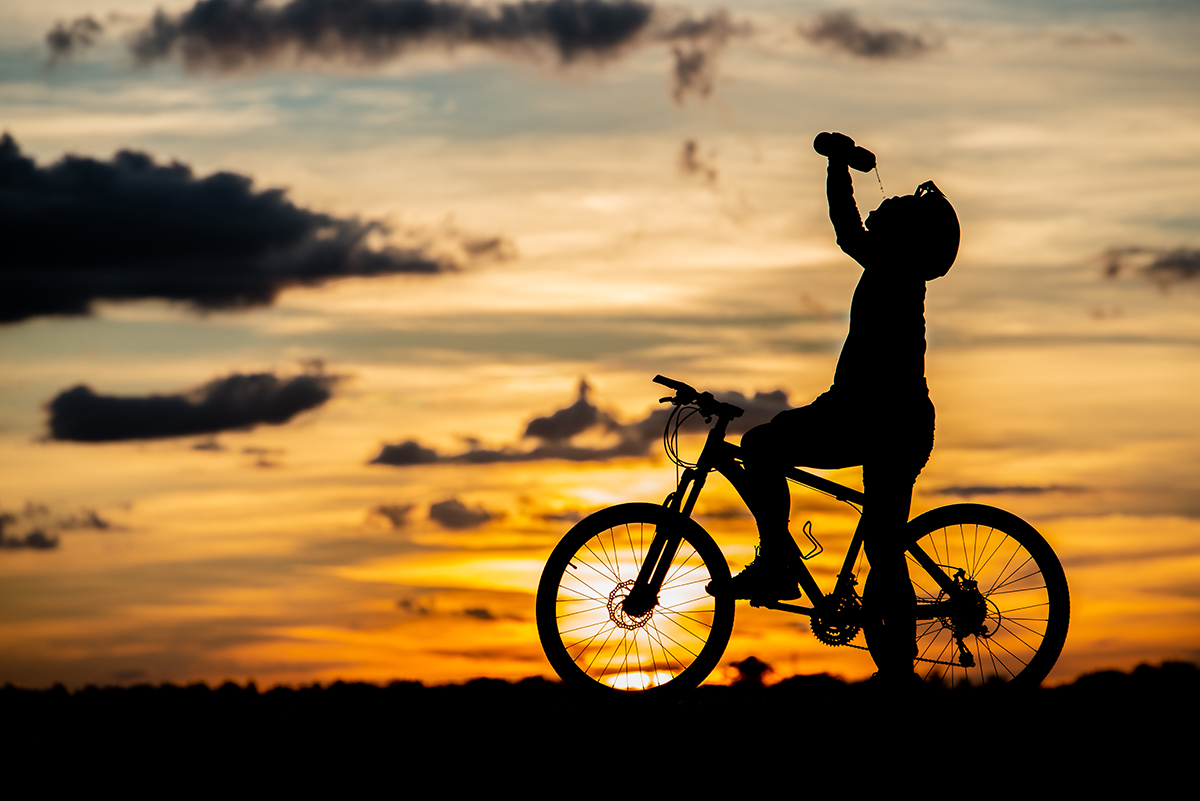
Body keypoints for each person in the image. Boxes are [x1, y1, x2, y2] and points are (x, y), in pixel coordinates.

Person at [706, 132, 960, 680]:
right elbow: (854, 230)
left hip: (875, 419)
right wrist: (839, 164)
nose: (881, 206)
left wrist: (838, 164)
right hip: (885, 418)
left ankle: (776, 563)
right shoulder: (893, 268)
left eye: (891, 208)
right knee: (885, 547)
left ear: (904, 233)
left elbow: (849, 230)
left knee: (762, 445)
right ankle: (898, 672)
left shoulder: (894, 267)